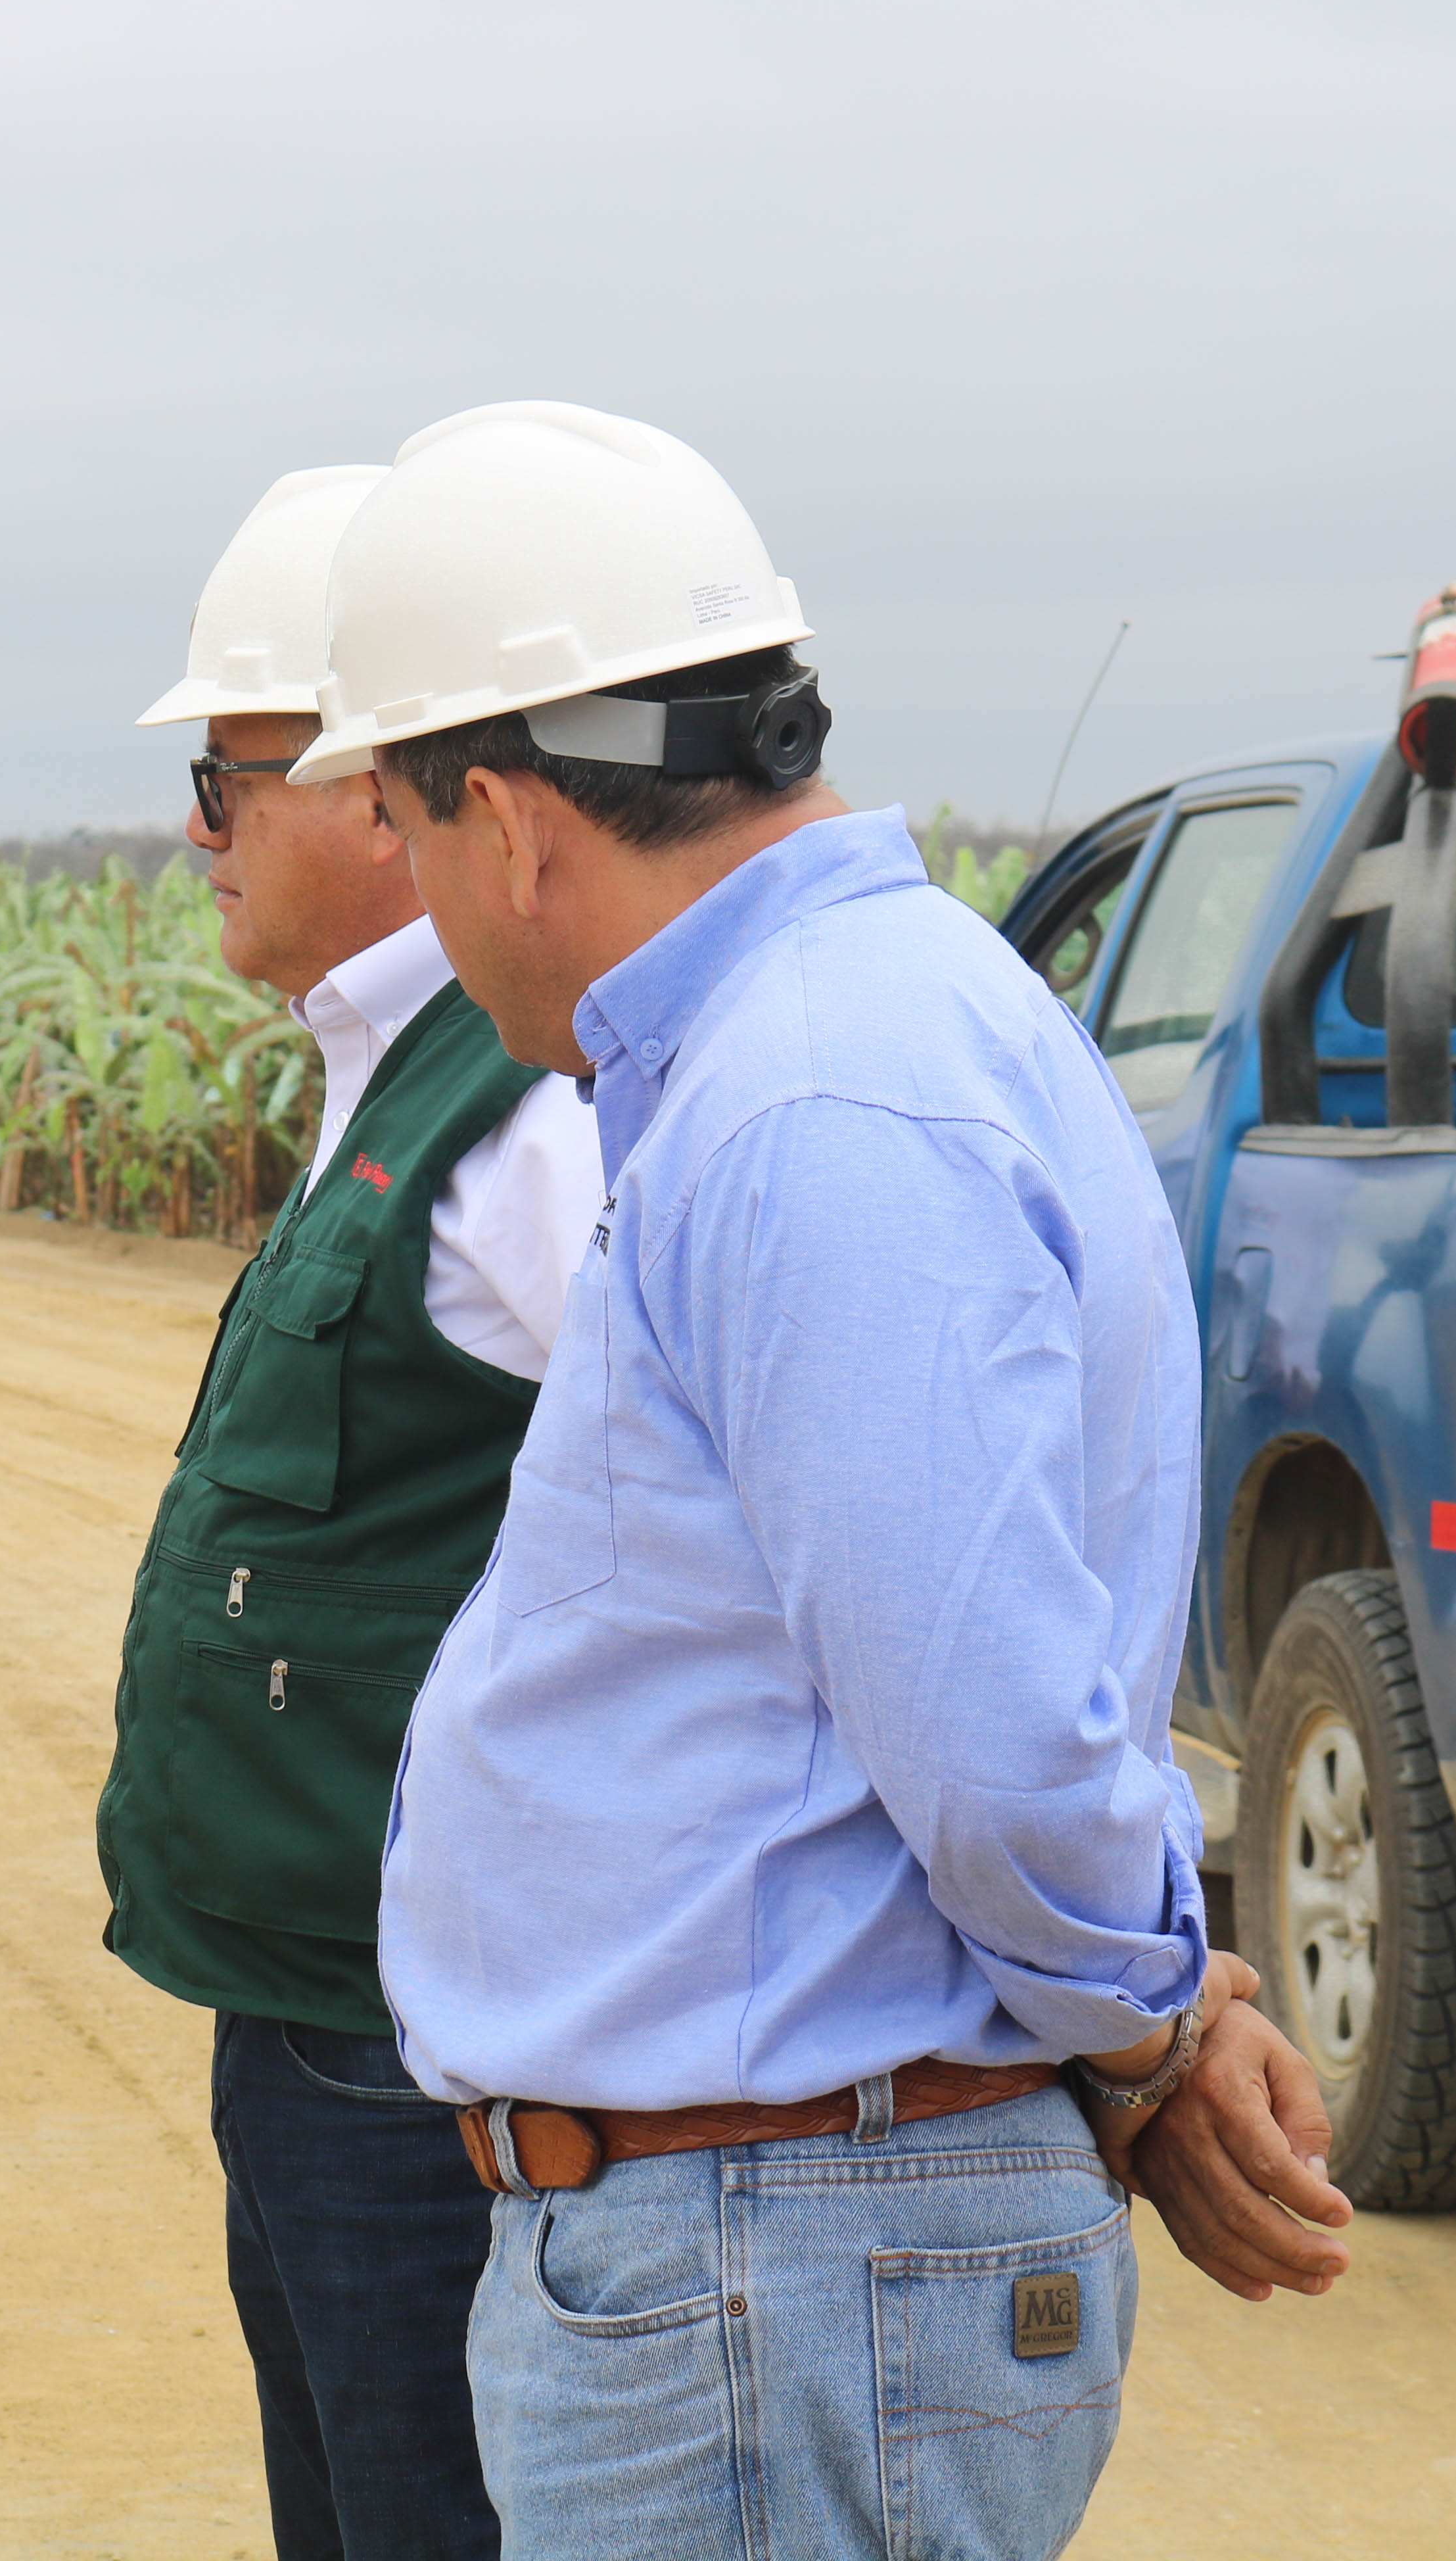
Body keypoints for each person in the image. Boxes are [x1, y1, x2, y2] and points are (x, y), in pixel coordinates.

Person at [304, 402, 1350, 2560]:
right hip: (767, 2253)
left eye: (398, 827)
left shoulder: (814, 1102)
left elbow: (977, 1720)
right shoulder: (821, 1041)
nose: (411, 887)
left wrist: (1144, 2028)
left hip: (770, 2264)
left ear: (502, 819)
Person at [95, 466, 603, 2561]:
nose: (190, 839)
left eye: (219, 788)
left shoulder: (526, 1118)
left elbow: (731, 1522)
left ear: (374, 793)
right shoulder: (378, 1074)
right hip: (313, 2005)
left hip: (424, 2049)